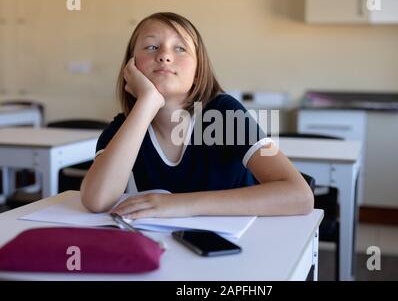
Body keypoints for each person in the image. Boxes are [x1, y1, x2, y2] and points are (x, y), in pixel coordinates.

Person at [80, 12, 313, 218]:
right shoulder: (127, 126)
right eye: (151, 47)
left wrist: (178, 204)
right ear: (131, 66)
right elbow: (96, 200)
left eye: (180, 48)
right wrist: (147, 102)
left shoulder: (224, 113)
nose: (164, 56)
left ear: (198, 68)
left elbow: (299, 196)